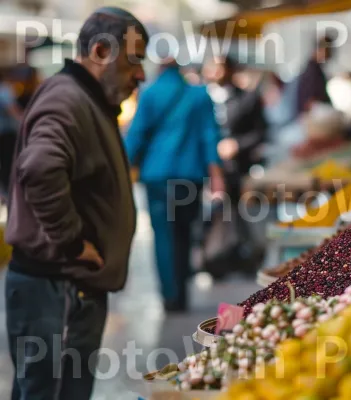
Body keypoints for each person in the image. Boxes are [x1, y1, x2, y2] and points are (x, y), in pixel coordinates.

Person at [4, 7, 147, 399]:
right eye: (133, 60)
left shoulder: (84, 98)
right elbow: (39, 169)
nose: (141, 74)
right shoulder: (68, 99)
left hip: (64, 290)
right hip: (57, 288)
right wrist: (71, 242)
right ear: (101, 51)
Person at [125, 58, 225, 312]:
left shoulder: (149, 94)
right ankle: (182, 292)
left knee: (163, 236)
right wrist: (216, 175)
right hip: (189, 177)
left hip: (157, 176)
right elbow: (209, 136)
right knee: (184, 233)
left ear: (159, 70)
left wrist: (121, 168)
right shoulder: (200, 95)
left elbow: (136, 135)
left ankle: (170, 295)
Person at [203, 55, 266, 272]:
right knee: (213, 213)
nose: (215, 72)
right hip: (207, 170)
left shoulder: (247, 98)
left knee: (238, 213)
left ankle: (239, 256)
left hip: (237, 168)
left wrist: (236, 145)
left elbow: (260, 132)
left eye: (220, 67)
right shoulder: (199, 98)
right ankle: (215, 258)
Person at [295, 35, 334, 116]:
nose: (330, 54)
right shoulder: (312, 71)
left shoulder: (316, 68)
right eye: (329, 50)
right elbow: (311, 103)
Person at [0, 69, 22, 197]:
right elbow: (13, 110)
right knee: (8, 163)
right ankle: (7, 194)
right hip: (7, 133)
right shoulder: (4, 90)